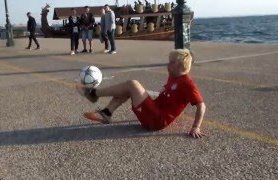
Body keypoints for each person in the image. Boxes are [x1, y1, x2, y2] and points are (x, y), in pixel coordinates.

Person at [78, 49, 206, 138]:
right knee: (129, 89)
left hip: (157, 120)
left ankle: (94, 93)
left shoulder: (188, 83)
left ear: (180, 66)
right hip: (154, 113)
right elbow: (168, 94)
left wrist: (196, 127)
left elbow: (201, 106)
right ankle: (107, 113)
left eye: (171, 62)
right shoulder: (174, 75)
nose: (167, 64)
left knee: (132, 84)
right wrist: (146, 93)